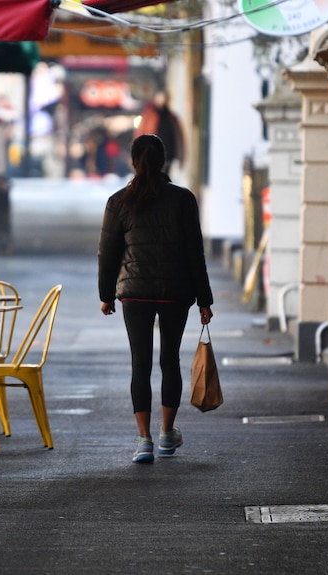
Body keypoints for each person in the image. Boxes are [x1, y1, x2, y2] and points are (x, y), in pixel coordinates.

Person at [97, 134, 213, 464]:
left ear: (133, 162)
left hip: (135, 295)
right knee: (169, 360)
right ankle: (166, 433)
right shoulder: (183, 200)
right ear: (163, 162)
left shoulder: (119, 202)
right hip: (176, 293)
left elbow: (108, 254)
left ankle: (143, 440)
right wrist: (205, 299)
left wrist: (107, 295)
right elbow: (195, 253)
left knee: (140, 363)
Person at [134, 91, 184, 173]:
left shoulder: (172, 118)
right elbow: (141, 134)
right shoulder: (150, 116)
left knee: (164, 176)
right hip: (152, 153)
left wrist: (181, 157)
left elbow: (179, 138)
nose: (162, 101)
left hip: (168, 153)